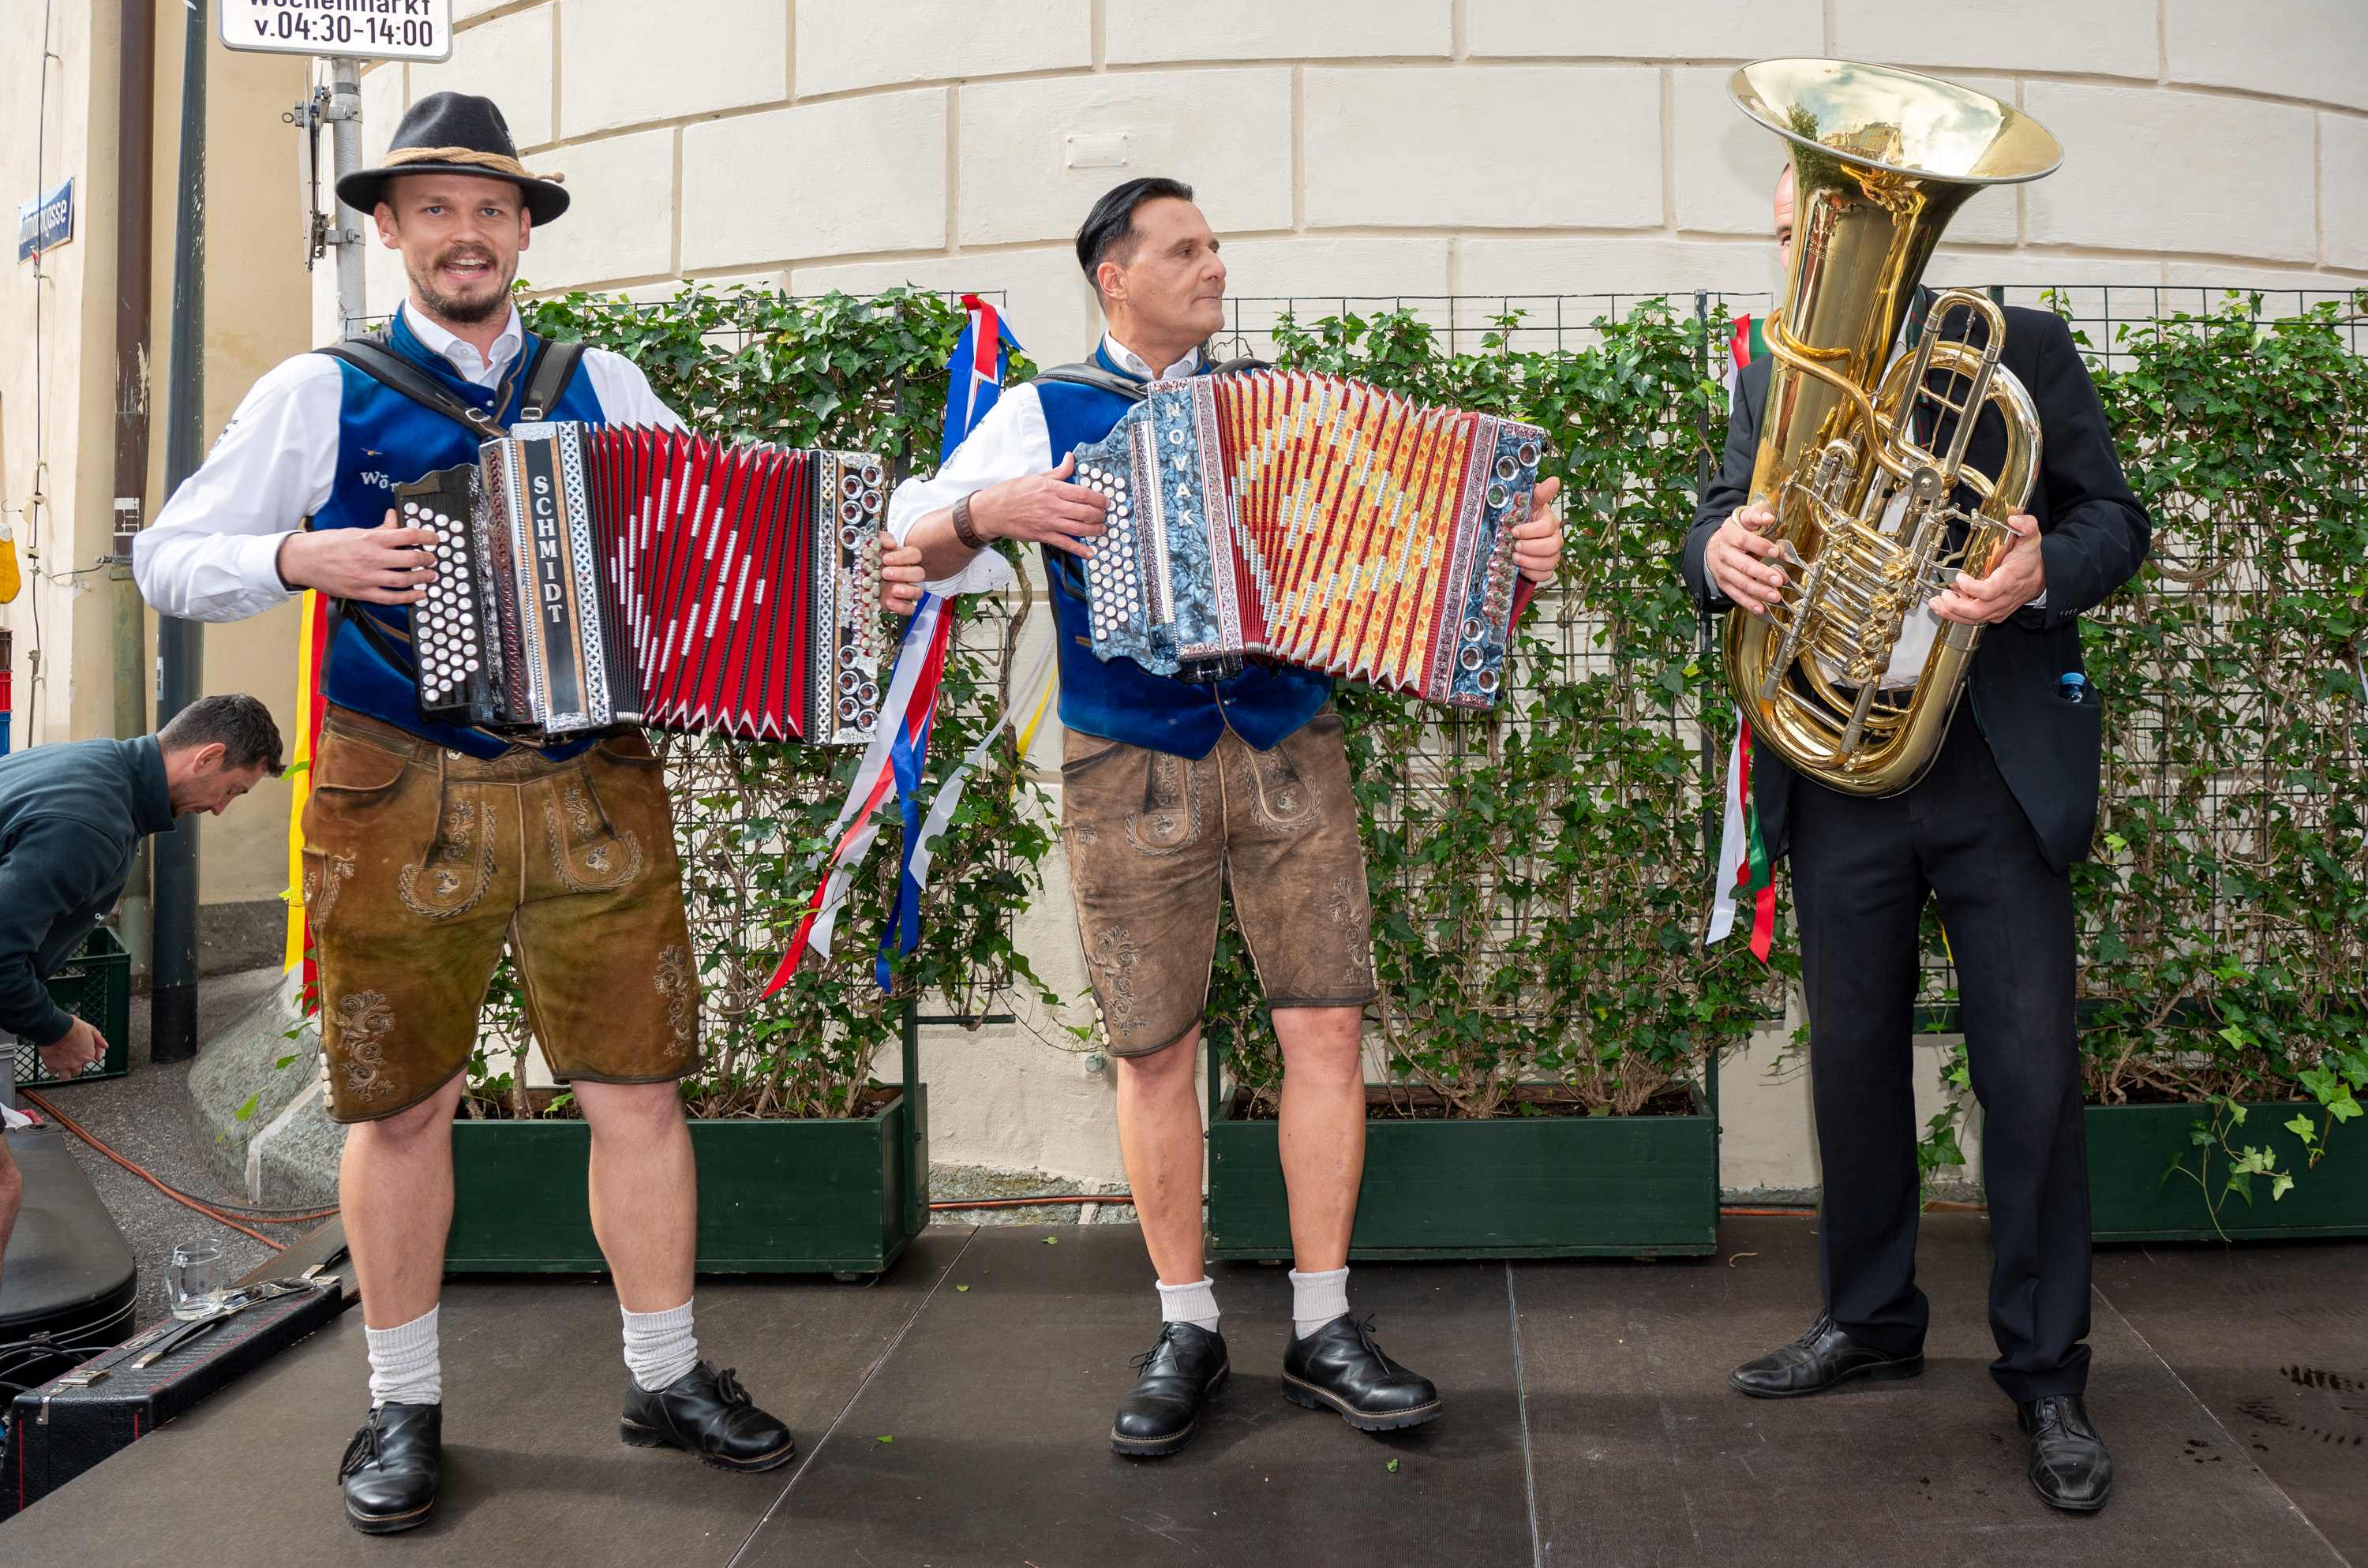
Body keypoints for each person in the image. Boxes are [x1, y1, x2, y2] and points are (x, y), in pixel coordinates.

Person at [134, 92, 793, 1535]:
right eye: (436, 208)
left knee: (638, 1090)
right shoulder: (325, 390)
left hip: (593, 781)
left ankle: (665, 1373)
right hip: (397, 786)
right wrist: (305, 552)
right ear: (388, 228)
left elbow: (721, 538)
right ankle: (403, 1400)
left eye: (492, 209)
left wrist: (840, 574)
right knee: (404, 1102)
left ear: (522, 232)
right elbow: (170, 558)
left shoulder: (600, 379)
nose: (467, 234)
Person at [880, 177, 1564, 1458]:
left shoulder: (1278, 410)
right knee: (1152, 1049)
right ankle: (1185, 1322)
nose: (1213, 264)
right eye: (1184, 248)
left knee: (1324, 1028)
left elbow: (1408, 562)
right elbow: (905, 549)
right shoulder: (1047, 411)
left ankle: (1324, 1321)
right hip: (1130, 764)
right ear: (1112, 277)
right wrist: (988, 511)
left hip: (1290, 750)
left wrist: (1509, 564)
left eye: (1213, 245)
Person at [1683, 163, 2151, 1513]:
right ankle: (1872, 1320)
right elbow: (1722, 513)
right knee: (1851, 1069)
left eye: (1825, 196)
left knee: (2032, 1076)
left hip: (1991, 773)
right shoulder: (1777, 372)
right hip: (1840, 771)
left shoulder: (2021, 347)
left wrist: (2039, 572)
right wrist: (1719, 555)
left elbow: (2115, 520)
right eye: (1796, 188)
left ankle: (2048, 1375)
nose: (1802, 213)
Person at [0, 694, 282, 1293]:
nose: (223, 810)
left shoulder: (93, 767)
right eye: (233, 790)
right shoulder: (92, 823)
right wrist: (55, 1029)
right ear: (207, 757)